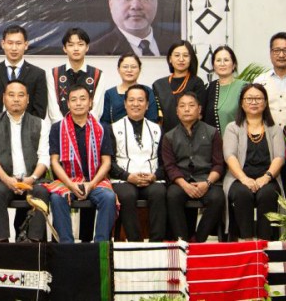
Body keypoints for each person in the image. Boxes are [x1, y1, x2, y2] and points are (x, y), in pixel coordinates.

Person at [0, 80, 51, 242]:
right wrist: (7, 180)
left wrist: (32, 178)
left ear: (27, 99)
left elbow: (44, 157)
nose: (16, 99)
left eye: (21, 95)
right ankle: (1, 241)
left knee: (42, 191)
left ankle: (34, 242)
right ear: (4, 98)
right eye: (11, 95)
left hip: (32, 179)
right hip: (3, 179)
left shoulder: (40, 123)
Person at [45, 84, 116, 243]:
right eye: (74, 100)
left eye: (83, 99)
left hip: (95, 181)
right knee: (57, 198)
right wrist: (70, 185)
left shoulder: (102, 128)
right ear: (68, 104)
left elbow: (106, 162)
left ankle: (100, 245)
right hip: (68, 181)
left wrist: (91, 184)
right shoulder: (57, 128)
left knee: (109, 197)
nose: (78, 103)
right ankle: (67, 246)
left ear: (90, 102)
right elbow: (54, 162)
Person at [222, 84, 284, 241]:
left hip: (268, 177)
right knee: (242, 194)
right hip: (239, 177)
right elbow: (230, 156)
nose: (254, 102)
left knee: (268, 194)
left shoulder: (274, 128)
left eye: (258, 98)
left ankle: (265, 241)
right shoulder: (232, 128)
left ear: (265, 103)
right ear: (242, 103)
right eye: (249, 98)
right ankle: (247, 241)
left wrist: (267, 177)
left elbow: (279, 157)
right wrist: (244, 179)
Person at [162, 92, 225, 242]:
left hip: (207, 180)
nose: (187, 109)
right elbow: (169, 166)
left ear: (199, 109)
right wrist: (184, 185)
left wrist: (207, 183)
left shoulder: (212, 132)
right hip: (181, 181)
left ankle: (198, 239)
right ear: (177, 111)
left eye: (191, 105)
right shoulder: (169, 136)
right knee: (172, 195)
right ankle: (182, 240)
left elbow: (218, 164)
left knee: (218, 198)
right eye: (182, 106)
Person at [109, 84, 165, 242]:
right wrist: (127, 176)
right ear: (125, 103)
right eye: (131, 100)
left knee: (159, 193)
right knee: (127, 195)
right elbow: (109, 162)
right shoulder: (113, 128)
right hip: (124, 179)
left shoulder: (158, 129)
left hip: (151, 178)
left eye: (141, 100)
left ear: (147, 105)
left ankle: (156, 243)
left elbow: (165, 161)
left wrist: (154, 176)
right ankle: (135, 242)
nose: (136, 104)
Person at [94, 0, 180, 56]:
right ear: (111, 4)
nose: (136, 6)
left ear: (157, 2)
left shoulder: (178, 44)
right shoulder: (95, 51)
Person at [0, 25, 49, 122]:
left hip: (27, 133)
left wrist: (25, 129)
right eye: (10, 43)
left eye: (18, 43)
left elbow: (40, 111)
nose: (14, 48)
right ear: (3, 44)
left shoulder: (38, 74)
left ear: (26, 45)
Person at [47, 27, 105, 122]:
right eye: (71, 45)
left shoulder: (98, 74)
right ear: (64, 49)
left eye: (80, 44)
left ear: (87, 47)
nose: (76, 49)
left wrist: (83, 127)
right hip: (61, 130)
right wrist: (64, 128)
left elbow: (97, 110)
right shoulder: (54, 73)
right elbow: (53, 110)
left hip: (89, 130)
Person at [253, 32, 286, 126]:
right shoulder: (259, 81)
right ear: (270, 53)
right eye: (277, 50)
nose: (281, 55)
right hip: (266, 136)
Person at [152, 40, 206, 133]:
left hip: (191, 135)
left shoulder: (197, 83)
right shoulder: (158, 85)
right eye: (177, 55)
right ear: (170, 59)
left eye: (185, 55)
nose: (181, 59)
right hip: (165, 136)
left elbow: (200, 115)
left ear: (191, 58)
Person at [99, 53, 159, 125]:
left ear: (139, 69)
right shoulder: (109, 94)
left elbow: (152, 119)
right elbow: (105, 122)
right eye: (125, 67)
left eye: (133, 67)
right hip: (114, 134)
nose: (129, 70)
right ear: (118, 70)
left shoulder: (147, 91)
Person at [203, 46, 247, 134]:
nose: (222, 64)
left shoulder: (244, 87)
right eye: (218, 60)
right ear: (214, 66)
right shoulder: (210, 88)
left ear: (234, 64)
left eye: (226, 60)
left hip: (238, 142)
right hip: (214, 144)